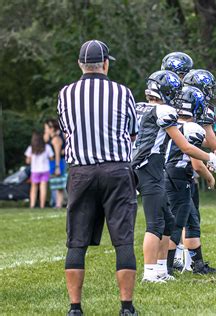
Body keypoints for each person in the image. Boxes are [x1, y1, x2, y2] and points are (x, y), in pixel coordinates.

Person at [57, 40, 140, 316]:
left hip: (81, 172)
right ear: (106, 64)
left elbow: (66, 131)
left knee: (76, 240)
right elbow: (132, 133)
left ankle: (75, 308)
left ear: (80, 64)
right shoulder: (122, 92)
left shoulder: (65, 94)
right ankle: (126, 307)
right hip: (116, 170)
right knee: (123, 240)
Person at [132, 70, 216, 283]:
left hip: (146, 166)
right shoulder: (163, 111)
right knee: (155, 223)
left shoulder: (138, 106)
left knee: (168, 220)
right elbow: (185, 147)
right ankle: (150, 273)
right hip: (149, 167)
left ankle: (163, 269)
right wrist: (210, 157)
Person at [165, 85, 216, 275]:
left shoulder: (172, 123)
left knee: (190, 220)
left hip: (168, 176)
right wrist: (209, 175)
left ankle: (197, 264)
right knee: (178, 222)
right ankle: (166, 267)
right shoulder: (192, 128)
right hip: (178, 177)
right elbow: (196, 163)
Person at [24, 131, 54, 209]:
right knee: (43, 188)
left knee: (34, 188)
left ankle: (32, 205)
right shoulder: (47, 147)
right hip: (45, 170)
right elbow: (51, 158)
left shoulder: (31, 148)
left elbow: (27, 161)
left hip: (35, 170)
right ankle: (42, 205)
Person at [44, 118, 67, 208]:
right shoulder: (53, 137)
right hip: (55, 162)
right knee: (57, 186)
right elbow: (45, 139)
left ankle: (58, 204)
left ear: (52, 128)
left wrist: (57, 167)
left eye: (46, 128)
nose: (45, 130)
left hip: (58, 162)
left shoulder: (56, 139)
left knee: (58, 185)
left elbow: (57, 154)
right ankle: (57, 204)